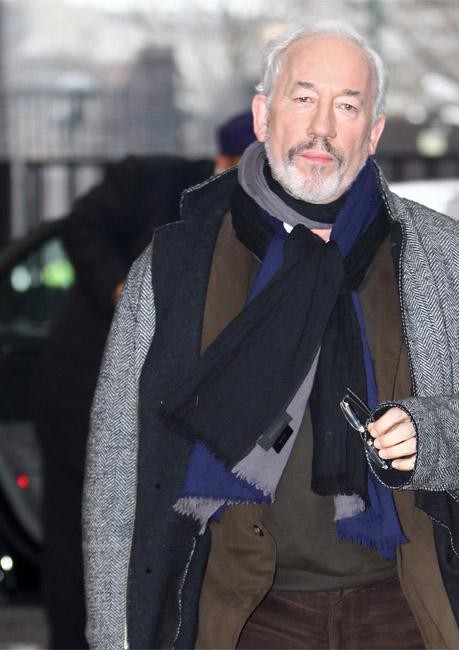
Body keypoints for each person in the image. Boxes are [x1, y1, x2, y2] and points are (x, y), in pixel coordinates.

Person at [83, 21, 459, 650]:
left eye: (347, 106)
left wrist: (434, 432)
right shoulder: (177, 265)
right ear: (263, 116)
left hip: (407, 608)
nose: (322, 128)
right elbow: (118, 462)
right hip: (239, 617)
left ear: (374, 132)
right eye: (303, 98)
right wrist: (114, 634)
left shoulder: (445, 256)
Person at [33, 112, 255, 649]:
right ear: (225, 161)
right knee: (84, 540)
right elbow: (80, 225)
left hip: (175, 416)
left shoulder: (267, 225)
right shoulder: (149, 180)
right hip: (83, 393)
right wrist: (122, 289)